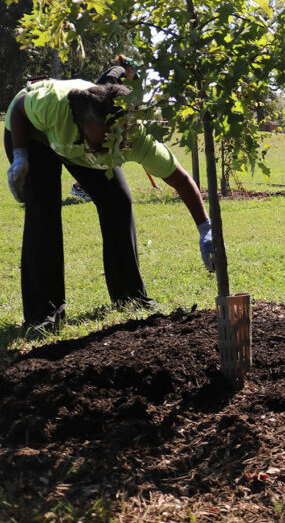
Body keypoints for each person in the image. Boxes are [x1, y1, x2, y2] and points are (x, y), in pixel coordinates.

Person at [5, 79, 213, 333]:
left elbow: (180, 179)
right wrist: (20, 156)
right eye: (99, 141)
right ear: (81, 124)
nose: (105, 148)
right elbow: (19, 108)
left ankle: (130, 297)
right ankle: (44, 313)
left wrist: (205, 228)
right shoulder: (54, 106)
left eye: (111, 141)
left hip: (77, 146)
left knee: (118, 202)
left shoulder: (131, 138)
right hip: (31, 133)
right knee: (43, 209)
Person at [72, 55, 143, 202]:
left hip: (105, 116)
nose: (134, 78)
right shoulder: (119, 70)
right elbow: (108, 82)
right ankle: (80, 187)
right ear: (130, 69)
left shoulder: (124, 77)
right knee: (104, 154)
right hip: (98, 115)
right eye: (134, 74)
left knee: (113, 153)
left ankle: (86, 187)